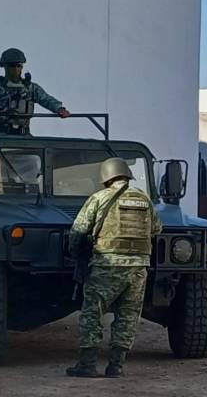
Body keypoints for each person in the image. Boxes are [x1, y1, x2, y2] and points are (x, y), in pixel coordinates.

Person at [66, 158, 162, 378]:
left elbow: (78, 231)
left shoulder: (99, 198)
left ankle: (87, 365)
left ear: (106, 177)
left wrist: (76, 253)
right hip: (138, 268)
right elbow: (156, 229)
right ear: (127, 175)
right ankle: (116, 366)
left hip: (106, 265)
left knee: (92, 313)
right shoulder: (144, 199)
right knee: (128, 316)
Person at [0, 48, 71, 136]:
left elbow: (46, 99)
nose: (15, 69)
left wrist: (59, 109)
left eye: (18, 66)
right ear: (4, 66)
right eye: (11, 66)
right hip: (0, 136)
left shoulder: (30, 88)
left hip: (24, 136)